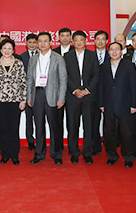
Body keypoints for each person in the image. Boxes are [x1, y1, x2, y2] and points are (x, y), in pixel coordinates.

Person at [27, 31, 68, 165]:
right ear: (37, 44)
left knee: (54, 127)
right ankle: (39, 154)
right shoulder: (33, 59)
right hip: (37, 95)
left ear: (50, 42)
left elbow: (63, 80)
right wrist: (29, 96)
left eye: (45, 41)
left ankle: (56, 154)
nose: (43, 43)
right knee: (39, 126)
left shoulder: (58, 58)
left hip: (53, 96)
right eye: (40, 41)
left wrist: (61, 98)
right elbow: (29, 80)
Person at [99, 42, 136, 167]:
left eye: (117, 49)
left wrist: (133, 105)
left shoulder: (129, 65)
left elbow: (134, 86)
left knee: (126, 133)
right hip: (108, 104)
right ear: (108, 52)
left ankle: (128, 157)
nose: (114, 52)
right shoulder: (103, 66)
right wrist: (101, 103)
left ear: (121, 51)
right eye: (112, 49)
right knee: (109, 133)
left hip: (125, 104)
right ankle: (112, 155)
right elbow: (101, 86)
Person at [0, 38, 27, 164]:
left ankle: (14, 154)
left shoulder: (18, 63)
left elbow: (23, 83)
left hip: (15, 100)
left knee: (14, 127)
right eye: (4, 48)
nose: (7, 51)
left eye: (9, 48)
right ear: (0, 50)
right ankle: (5, 153)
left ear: (13, 50)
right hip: (0, 101)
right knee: (3, 128)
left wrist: (23, 100)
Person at [64, 30, 99, 164]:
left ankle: (87, 152)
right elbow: (65, 75)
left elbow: (96, 74)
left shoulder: (92, 55)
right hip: (73, 96)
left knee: (88, 126)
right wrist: (75, 90)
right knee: (73, 125)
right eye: (76, 40)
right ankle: (74, 152)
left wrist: (87, 90)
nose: (79, 42)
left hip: (88, 96)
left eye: (81, 40)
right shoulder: (67, 56)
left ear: (86, 41)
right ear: (72, 42)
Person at [20, 33, 38, 151]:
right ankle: (30, 140)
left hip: (40, 92)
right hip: (27, 93)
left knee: (39, 119)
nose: (32, 45)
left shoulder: (42, 55)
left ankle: (40, 139)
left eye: (34, 42)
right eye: (30, 42)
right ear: (26, 43)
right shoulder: (21, 57)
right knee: (29, 119)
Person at [92, 30, 109, 155]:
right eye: (98, 39)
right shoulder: (89, 56)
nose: (100, 41)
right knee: (94, 122)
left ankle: (109, 146)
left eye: (103, 39)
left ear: (107, 41)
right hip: (93, 94)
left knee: (109, 122)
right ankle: (96, 147)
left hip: (109, 94)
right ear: (94, 41)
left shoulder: (113, 54)